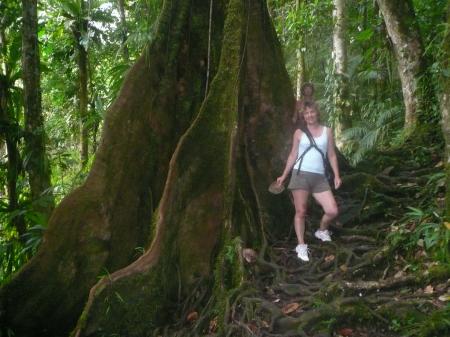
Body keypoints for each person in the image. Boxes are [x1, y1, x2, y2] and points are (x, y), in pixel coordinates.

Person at [277, 101, 342, 262]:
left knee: (332, 210)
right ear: (303, 116)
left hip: (319, 177)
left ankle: (321, 230)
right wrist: (284, 175)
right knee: (301, 211)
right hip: (300, 175)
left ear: (317, 113)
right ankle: (301, 245)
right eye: (306, 113)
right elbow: (293, 155)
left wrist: (336, 175)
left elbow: (332, 155)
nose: (309, 115)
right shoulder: (299, 132)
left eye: (312, 112)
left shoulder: (327, 131)